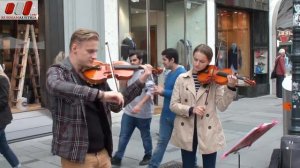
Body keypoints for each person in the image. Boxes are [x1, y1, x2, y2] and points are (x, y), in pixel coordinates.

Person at [46, 28, 153, 168]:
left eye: (96, 51)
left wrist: (140, 82)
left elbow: (116, 105)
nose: (95, 56)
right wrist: (101, 95)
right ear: (74, 48)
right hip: (77, 157)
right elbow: (56, 85)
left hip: (103, 154)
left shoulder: (96, 73)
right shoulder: (58, 72)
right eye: (90, 51)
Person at [170, 44, 238, 168]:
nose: (197, 64)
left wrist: (230, 87)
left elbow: (222, 106)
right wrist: (191, 109)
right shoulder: (181, 78)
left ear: (209, 62)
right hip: (186, 128)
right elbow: (173, 105)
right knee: (188, 165)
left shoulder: (215, 80)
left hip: (208, 129)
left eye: (202, 61)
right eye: (195, 59)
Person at [111, 52, 155, 166]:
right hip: (129, 111)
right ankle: (118, 157)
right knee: (123, 135)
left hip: (143, 113)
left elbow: (151, 91)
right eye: (131, 60)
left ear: (140, 61)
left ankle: (148, 155)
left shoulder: (146, 73)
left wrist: (140, 105)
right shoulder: (127, 73)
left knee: (145, 136)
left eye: (134, 60)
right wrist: (121, 81)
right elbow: (124, 92)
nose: (132, 63)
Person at [148, 48, 186, 168]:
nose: (163, 62)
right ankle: (153, 165)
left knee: (185, 143)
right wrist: (159, 90)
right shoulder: (169, 73)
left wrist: (163, 91)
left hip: (177, 115)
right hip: (166, 114)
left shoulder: (182, 73)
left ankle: (192, 164)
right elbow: (167, 90)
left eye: (164, 59)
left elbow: (180, 95)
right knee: (162, 142)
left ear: (172, 60)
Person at [0, 64, 21, 168]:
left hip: (1, 119)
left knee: (4, 147)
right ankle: (17, 165)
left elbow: (3, 100)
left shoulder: (2, 79)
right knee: (3, 148)